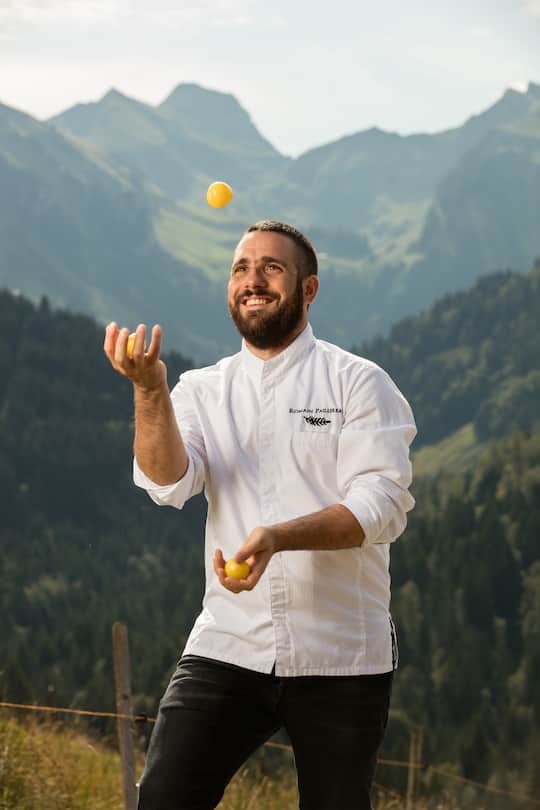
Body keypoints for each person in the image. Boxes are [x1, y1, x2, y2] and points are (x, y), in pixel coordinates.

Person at [104, 220, 417, 810]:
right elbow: (167, 482)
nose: (253, 280)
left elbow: (381, 506)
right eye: (241, 269)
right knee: (165, 798)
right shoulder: (200, 389)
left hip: (343, 654)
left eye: (272, 268)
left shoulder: (358, 383)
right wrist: (150, 391)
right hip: (229, 642)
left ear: (308, 289)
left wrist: (279, 536)